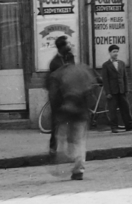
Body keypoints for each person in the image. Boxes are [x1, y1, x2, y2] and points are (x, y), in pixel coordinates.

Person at [46, 45, 98, 181]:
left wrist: (57, 112)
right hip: (81, 112)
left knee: (63, 138)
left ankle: (62, 161)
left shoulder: (59, 74)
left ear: (63, 59)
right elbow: (91, 91)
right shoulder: (83, 71)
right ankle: (78, 170)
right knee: (80, 141)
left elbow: (54, 95)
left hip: (65, 112)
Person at [99, 45, 132, 132]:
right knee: (112, 110)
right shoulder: (106, 65)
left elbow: (125, 76)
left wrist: (126, 89)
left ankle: (129, 125)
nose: (116, 53)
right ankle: (114, 127)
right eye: (114, 52)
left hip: (121, 90)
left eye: (117, 51)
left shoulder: (121, 63)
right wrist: (108, 92)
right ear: (109, 53)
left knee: (125, 108)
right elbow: (105, 80)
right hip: (112, 91)